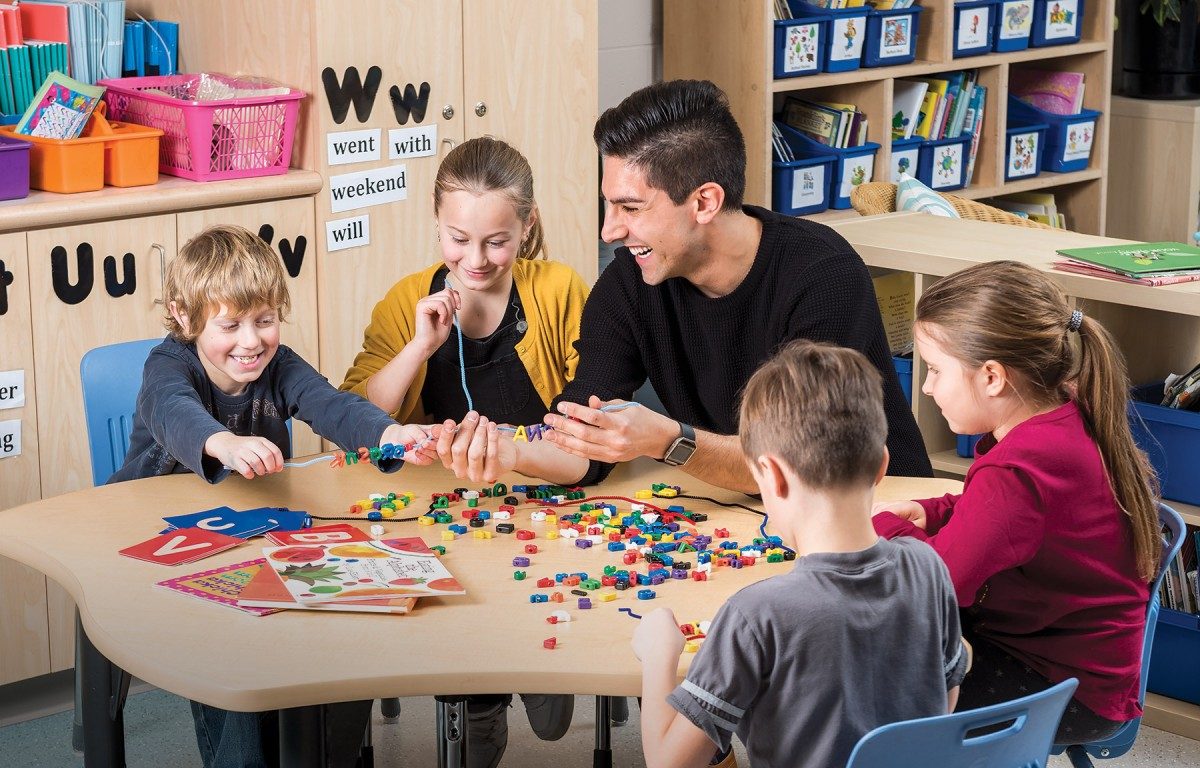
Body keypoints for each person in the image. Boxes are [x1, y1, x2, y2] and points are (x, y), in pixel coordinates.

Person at [435, 79, 931, 493]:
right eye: (609, 206)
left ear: (705, 202)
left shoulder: (821, 274)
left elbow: (809, 462)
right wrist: (512, 450)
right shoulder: (631, 281)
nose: (610, 231)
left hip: (877, 514)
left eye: (630, 209)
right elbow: (586, 443)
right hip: (756, 514)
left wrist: (668, 440)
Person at [109, 225, 430, 768]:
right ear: (184, 318)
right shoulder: (168, 365)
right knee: (230, 646)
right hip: (163, 538)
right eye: (230, 324)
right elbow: (172, 411)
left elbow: (331, 405)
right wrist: (224, 443)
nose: (251, 341)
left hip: (255, 532)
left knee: (340, 611)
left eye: (264, 321)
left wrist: (387, 435)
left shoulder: (278, 367)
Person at [340, 136, 586, 768]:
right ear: (436, 226)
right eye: (457, 238)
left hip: (545, 505)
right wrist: (418, 347)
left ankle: (545, 657)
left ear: (526, 227)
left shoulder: (558, 290)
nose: (474, 259)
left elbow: (592, 412)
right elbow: (356, 418)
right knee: (464, 603)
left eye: (496, 241)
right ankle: (481, 702)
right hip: (447, 513)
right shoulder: (406, 300)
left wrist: (516, 448)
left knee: (536, 599)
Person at [632, 341, 966, 768]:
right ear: (882, 466)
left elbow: (667, 763)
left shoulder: (756, 614)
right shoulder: (927, 567)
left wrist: (660, 652)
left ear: (770, 475)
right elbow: (946, 697)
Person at [872, 260, 1159, 743]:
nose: (926, 386)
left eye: (937, 370)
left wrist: (882, 526)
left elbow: (938, 588)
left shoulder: (1018, 468)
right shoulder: (1065, 414)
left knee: (861, 680)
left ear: (991, 377)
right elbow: (1012, 519)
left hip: (1058, 686)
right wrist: (937, 511)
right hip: (1089, 666)